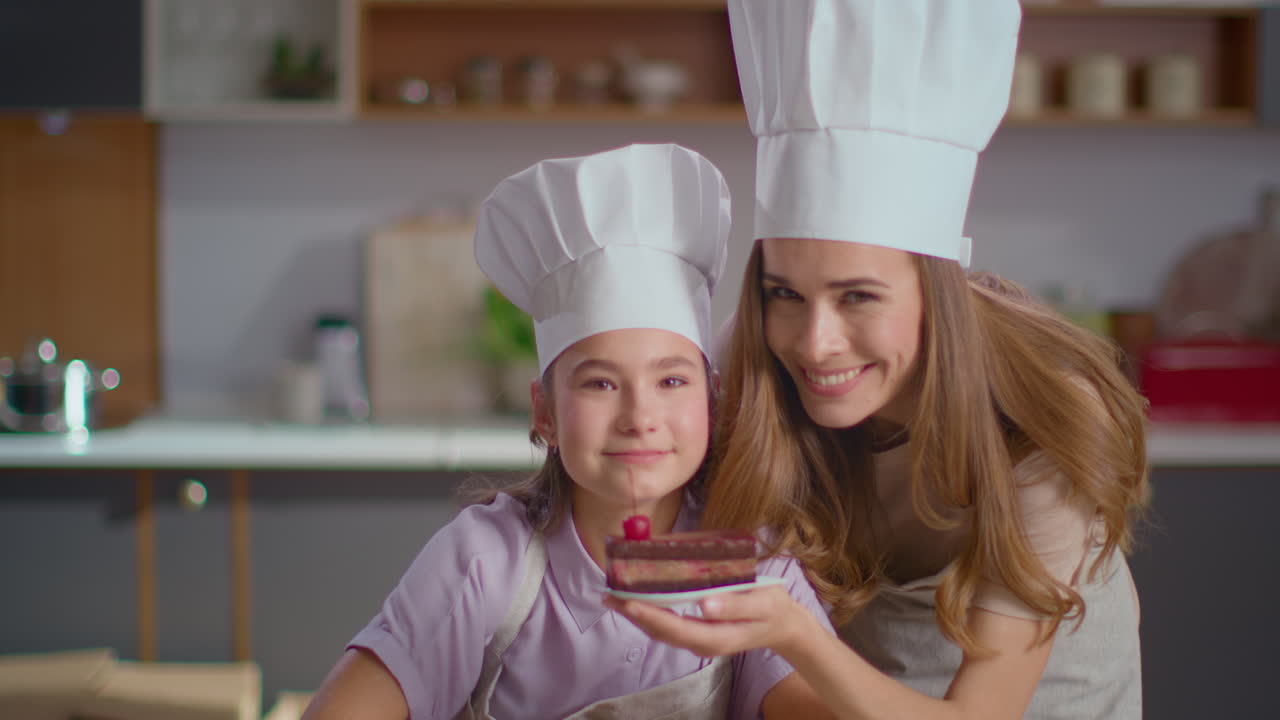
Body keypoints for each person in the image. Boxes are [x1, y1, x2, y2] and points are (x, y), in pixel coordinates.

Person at [605, 3, 1150, 719]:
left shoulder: (1039, 424)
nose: (813, 342)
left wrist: (795, 634)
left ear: (936, 295)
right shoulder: (757, 356)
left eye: (858, 297)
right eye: (785, 294)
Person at [302, 143, 834, 720]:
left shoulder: (754, 566)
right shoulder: (486, 561)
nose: (640, 417)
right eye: (600, 384)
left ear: (712, 399)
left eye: (672, 382)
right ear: (544, 414)